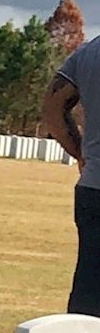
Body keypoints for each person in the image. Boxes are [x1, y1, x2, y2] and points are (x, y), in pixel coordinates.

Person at [43, 43, 100, 314]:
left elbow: (53, 108)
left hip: (93, 186)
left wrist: (80, 153)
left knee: (89, 291)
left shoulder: (88, 53)